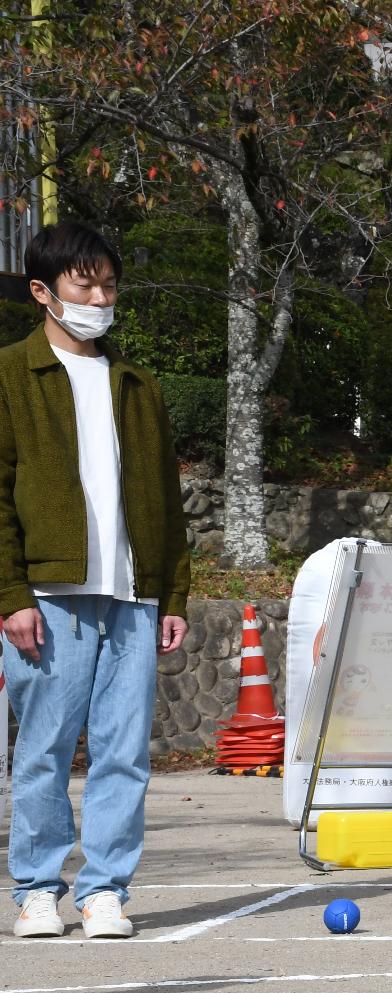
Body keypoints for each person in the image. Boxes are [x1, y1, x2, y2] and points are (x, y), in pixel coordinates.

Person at [1, 221, 190, 940]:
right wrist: (10, 595)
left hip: (132, 596)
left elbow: (167, 504)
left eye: (109, 284)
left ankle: (106, 887)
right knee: (44, 747)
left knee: (123, 750)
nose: (100, 297)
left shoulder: (137, 385)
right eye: (85, 284)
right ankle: (38, 888)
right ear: (43, 291)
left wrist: (172, 594)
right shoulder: (10, 375)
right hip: (49, 596)